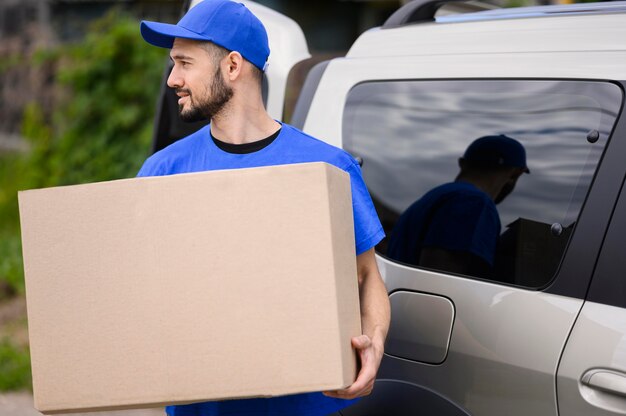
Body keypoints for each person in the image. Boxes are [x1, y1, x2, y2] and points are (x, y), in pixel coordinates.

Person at [136, 1, 391, 415]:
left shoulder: (325, 168)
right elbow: (141, 290)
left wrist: (374, 341)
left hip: (309, 406)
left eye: (184, 63)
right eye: (172, 63)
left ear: (232, 66)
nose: (173, 79)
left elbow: (366, 276)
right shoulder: (163, 171)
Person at [386, 135, 529, 278]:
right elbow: (441, 280)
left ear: (462, 163)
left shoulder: (434, 197)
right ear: (515, 174)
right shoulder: (473, 202)